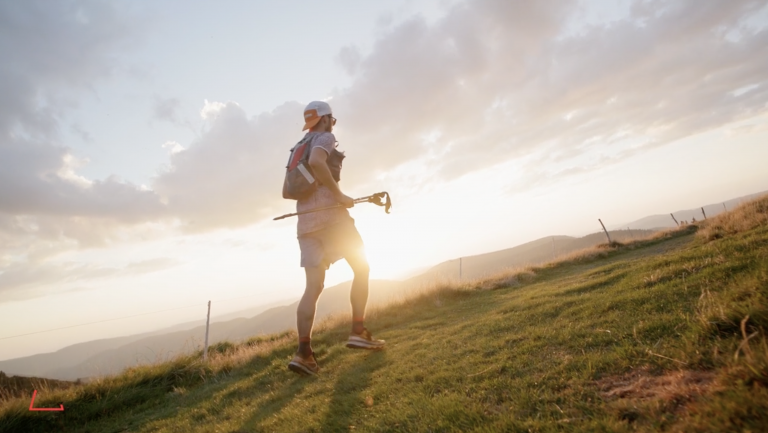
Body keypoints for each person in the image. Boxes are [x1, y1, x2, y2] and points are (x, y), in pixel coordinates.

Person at [284, 100, 385, 376]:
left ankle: (303, 353)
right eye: (333, 119)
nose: (333, 124)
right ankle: (358, 331)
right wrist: (339, 196)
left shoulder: (297, 148)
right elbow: (318, 161)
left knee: (313, 289)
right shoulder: (324, 138)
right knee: (361, 268)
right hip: (333, 220)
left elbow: (289, 189)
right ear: (326, 119)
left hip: (305, 225)